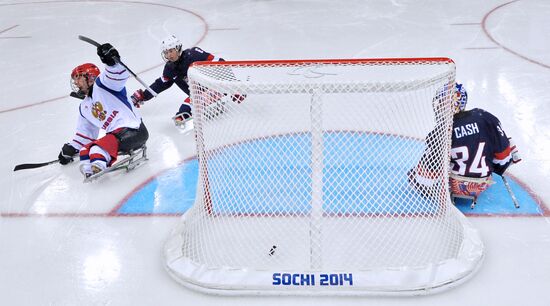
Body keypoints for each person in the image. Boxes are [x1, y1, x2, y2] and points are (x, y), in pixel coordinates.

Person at [409, 83, 521, 201]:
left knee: (418, 171)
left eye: (441, 104)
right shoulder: (485, 117)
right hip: (483, 183)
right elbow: (503, 159)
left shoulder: (440, 132)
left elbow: (425, 180)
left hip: (456, 186)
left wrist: (416, 177)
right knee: (505, 142)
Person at [58, 43, 149, 178]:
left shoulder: (104, 85)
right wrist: (71, 149)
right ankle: (91, 170)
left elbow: (119, 74)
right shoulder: (84, 107)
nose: (76, 83)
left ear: (90, 77)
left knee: (96, 149)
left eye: (78, 78)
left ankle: (98, 166)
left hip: (134, 131)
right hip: (117, 137)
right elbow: (86, 134)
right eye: (75, 80)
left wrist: (112, 61)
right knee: (84, 151)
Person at [130, 34, 242, 126]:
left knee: (183, 112)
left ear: (178, 48)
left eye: (171, 51)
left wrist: (231, 85)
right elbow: (161, 84)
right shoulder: (170, 68)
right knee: (182, 113)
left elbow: (220, 62)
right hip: (197, 95)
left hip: (214, 88)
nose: (168, 55)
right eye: (166, 52)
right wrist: (143, 96)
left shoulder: (193, 54)